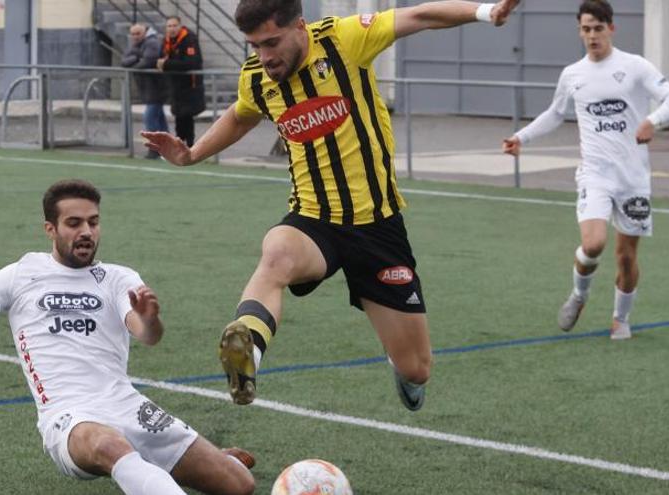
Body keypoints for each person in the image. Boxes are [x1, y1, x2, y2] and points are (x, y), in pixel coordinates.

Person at [142, 0, 520, 410]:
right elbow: (241, 115)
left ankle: (403, 367)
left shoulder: (344, 40)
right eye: (254, 46)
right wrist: (192, 153)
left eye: (271, 43)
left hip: (378, 227)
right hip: (313, 221)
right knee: (276, 255)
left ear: (299, 26)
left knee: (417, 368)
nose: (264, 57)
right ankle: (247, 350)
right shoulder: (256, 78)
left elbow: (421, 15)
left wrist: (487, 12)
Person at [0, 180, 256, 495]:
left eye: (93, 222)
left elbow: (146, 334)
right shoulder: (20, 274)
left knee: (239, 485)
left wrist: (150, 319)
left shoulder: (118, 277)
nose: (86, 232)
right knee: (108, 447)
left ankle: (198, 462)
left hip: (126, 405)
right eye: (74, 223)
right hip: (68, 417)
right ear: (50, 228)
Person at [502, 0, 669, 340]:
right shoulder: (573, 74)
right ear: (579, 31)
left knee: (626, 257)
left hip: (633, 178)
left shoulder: (634, 66)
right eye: (585, 29)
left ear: (611, 29)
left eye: (598, 28)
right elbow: (555, 114)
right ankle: (580, 295)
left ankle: (621, 319)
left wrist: (652, 120)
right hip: (595, 174)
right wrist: (521, 136)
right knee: (594, 244)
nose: (592, 36)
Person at [122, 23, 169, 159]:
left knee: (150, 118)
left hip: (156, 87)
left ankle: (156, 149)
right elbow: (124, 61)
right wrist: (137, 58)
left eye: (138, 33)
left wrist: (134, 64)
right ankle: (166, 148)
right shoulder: (137, 45)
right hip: (148, 88)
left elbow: (148, 61)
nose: (135, 36)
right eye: (133, 34)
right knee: (159, 119)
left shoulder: (152, 42)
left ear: (145, 32)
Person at [157, 16, 206, 147]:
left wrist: (167, 64)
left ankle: (189, 144)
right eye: (169, 26)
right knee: (179, 116)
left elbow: (192, 63)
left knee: (186, 115)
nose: (172, 29)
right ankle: (179, 142)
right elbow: (161, 59)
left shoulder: (189, 39)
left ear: (180, 26)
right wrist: (162, 63)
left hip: (190, 85)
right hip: (175, 85)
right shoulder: (166, 41)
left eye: (174, 26)